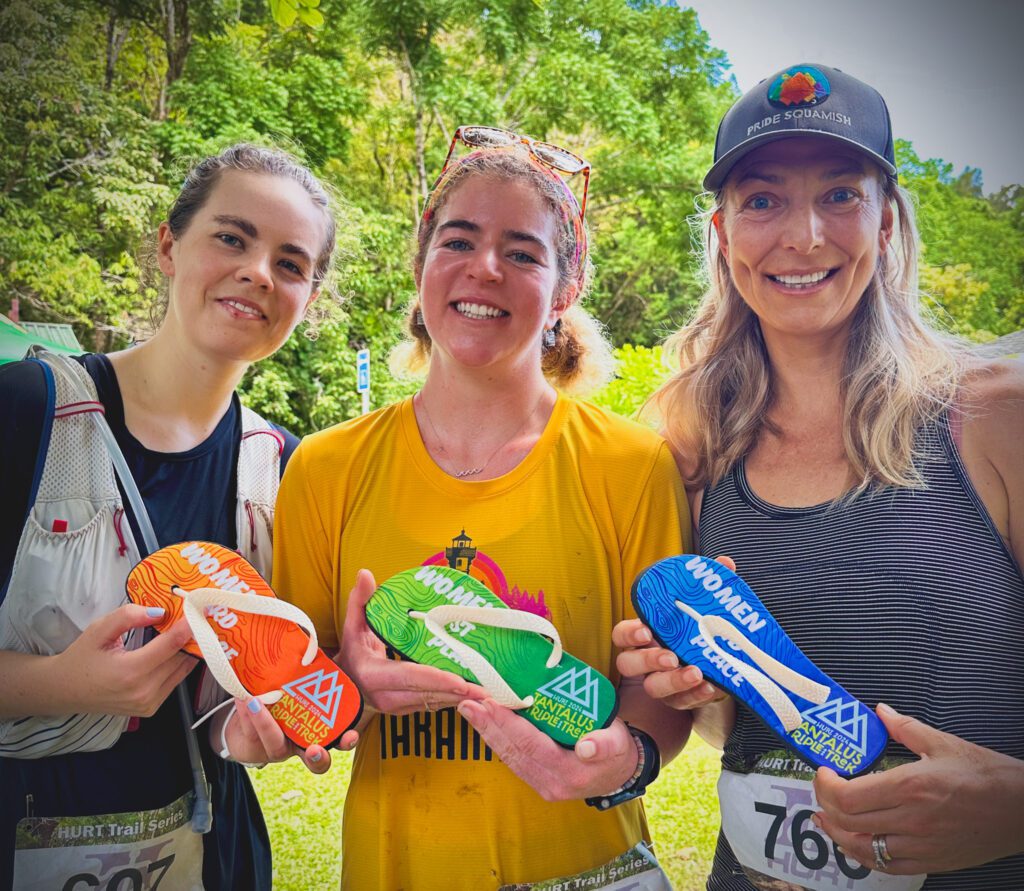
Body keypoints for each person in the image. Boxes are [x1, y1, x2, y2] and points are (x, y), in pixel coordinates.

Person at [614, 63, 1024, 891]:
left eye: (841, 194)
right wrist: (683, 677)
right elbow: (724, 723)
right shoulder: (689, 442)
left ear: (885, 223)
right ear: (724, 233)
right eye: (762, 200)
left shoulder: (996, 418)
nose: (803, 235)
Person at [272, 126, 693, 889]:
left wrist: (622, 760)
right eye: (458, 240)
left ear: (567, 288)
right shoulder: (323, 468)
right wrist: (350, 690)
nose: (485, 268)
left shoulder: (633, 465)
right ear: (422, 264)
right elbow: (291, 699)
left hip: (594, 867)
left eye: (523, 252)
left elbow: (660, 688)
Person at [0, 143, 353, 890]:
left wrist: (248, 730)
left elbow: (231, 703)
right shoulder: (25, 410)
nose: (259, 271)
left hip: (212, 853)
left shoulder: (286, 468)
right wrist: (62, 683)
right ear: (168, 244)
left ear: (308, 297)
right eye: (232, 237)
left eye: (291, 263)